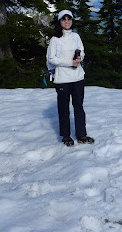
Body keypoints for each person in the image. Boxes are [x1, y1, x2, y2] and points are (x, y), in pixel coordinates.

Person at [46, 10, 94, 147]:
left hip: (78, 77)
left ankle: (81, 134)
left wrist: (79, 58)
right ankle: (66, 136)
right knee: (63, 108)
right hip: (62, 78)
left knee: (79, 106)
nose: (67, 22)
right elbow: (51, 58)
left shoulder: (76, 36)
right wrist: (70, 62)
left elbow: (82, 51)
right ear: (59, 22)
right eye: (63, 19)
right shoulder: (55, 40)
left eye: (69, 19)